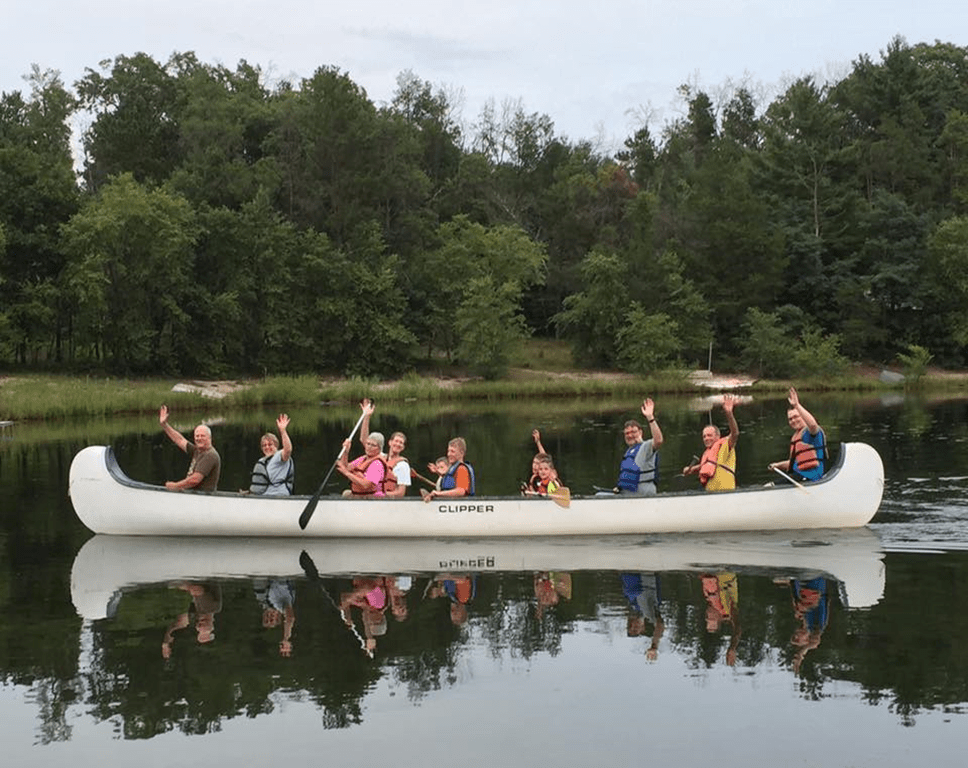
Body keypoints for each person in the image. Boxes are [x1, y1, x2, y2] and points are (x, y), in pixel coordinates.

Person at [598, 398, 664, 496]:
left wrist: (650, 418)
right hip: (628, 493)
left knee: (599, 497)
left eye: (633, 432)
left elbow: (658, 440)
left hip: (643, 493)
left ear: (640, 432)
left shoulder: (646, 446)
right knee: (599, 495)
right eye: (627, 433)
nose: (630, 435)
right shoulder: (630, 451)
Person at [682, 394, 740, 491]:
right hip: (710, 494)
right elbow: (703, 466)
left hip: (726, 492)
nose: (706, 438)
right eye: (704, 436)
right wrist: (690, 469)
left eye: (709, 435)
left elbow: (735, 433)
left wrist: (729, 414)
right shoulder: (707, 453)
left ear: (718, 436)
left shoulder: (726, 445)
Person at [768, 387, 827, 482]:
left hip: (811, 477)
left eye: (796, 417)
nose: (793, 421)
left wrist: (797, 405)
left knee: (771, 487)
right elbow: (794, 463)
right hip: (798, 477)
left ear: (803, 416)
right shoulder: (795, 437)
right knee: (770, 485)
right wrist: (778, 465)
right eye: (790, 419)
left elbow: (812, 424)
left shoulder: (810, 433)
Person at [159, 405, 221, 492]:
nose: (199, 438)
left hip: (203, 498)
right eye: (197, 436)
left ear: (209, 438)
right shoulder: (197, 450)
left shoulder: (210, 455)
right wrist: (164, 425)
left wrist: (175, 486)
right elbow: (179, 440)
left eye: (202, 436)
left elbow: (194, 480)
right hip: (193, 496)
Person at [359, 398, 411, 497]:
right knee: (347, 493)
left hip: (387, 500)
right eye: (396, 441)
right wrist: (366, 417)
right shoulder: (381, 457)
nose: (398, 444)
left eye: (401, 443)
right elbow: (364, 441)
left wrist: (381, 495)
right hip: (373, 496)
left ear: (403, 448)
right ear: (390, 443)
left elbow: (400, 493)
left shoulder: (403, 466)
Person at [247, 413, 294, 495]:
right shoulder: (263, 461)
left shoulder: (279, 456)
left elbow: (288, 450)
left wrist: (283, 431)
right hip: (263, 496)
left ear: (276, 445)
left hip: (278, 496)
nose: (267, 447)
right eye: (264, 445)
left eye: (270, 444)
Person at [336, 432, 393, 497]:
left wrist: (347, 473)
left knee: (346, 494)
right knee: (346, 493)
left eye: (373, 445)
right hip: (360, 495)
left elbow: (366, 485)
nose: (369, 447)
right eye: (368, 444)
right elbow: (346, 467)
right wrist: (346, 452)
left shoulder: (377, 464)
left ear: (379, 448)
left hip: (372, 497)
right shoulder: (363, 458)